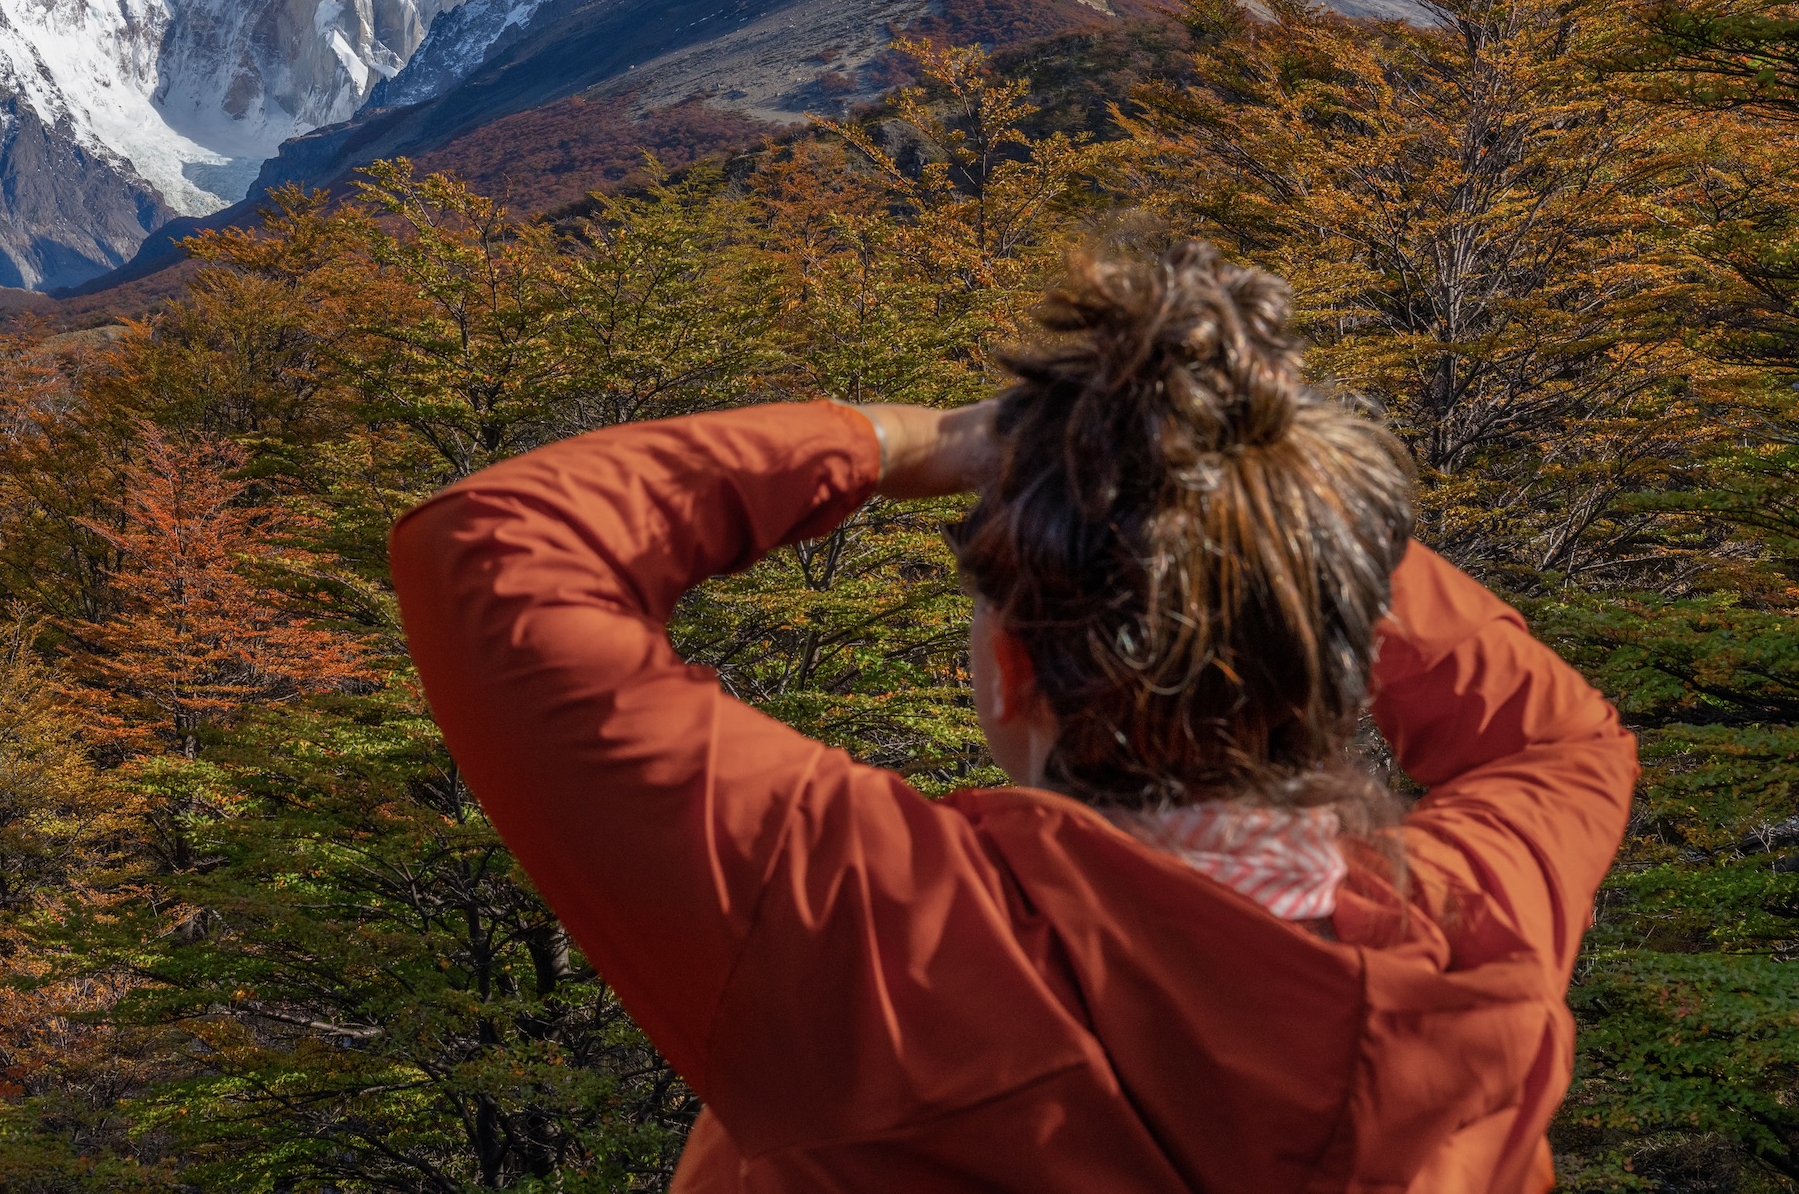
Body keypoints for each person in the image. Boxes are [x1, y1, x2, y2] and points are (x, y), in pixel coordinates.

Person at [390, 237, 1636, 1192]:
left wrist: (904, 441)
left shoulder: (882, 934)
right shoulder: (1478, 935)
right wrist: (1278, 516)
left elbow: (497, 545)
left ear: (1012, 676)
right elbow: (1553, 737)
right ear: (1329, 652)